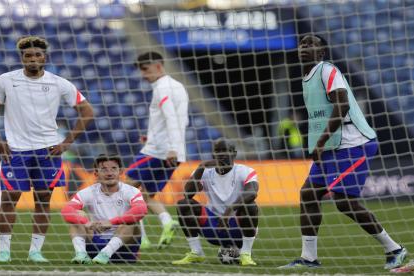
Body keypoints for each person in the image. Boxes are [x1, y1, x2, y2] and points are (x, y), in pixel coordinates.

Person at [279, 34, 407, 269]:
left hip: (353, 143)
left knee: (344, 202)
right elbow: (319, 117)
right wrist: (317, 145)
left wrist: (321, 142)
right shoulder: (306, 78)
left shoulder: (327, 70)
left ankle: (395, 249)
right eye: (302, 43)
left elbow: (342, 105)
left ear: (322, 52)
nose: (304, 47)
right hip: (330, 147)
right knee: (308, 194)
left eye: (311, 44)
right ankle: (309, 259)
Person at [0, 36, 94, 263]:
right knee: (9, 199)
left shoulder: (58, 83)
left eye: (37, 55)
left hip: (48, 151)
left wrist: (66, 142)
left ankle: (35, 251)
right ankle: (4, 251)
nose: (33, 59)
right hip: (16, 150)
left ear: (45, 56)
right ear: (22, 58)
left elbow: (87, 111)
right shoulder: (6, 80)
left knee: (43, 200)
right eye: (28, 56)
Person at [126, 52, 189, 249]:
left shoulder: (162, 88)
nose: (144, 75)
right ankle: (167, 222)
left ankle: (142, 238)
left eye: (146, 69)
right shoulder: (178, 86)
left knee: (124, 189)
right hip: (172, 151)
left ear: (159, 66)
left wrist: (170, 147)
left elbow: (171, 118)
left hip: (158, 151)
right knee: (144, 196)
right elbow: (182, 120)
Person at [171, 138, 259, 266]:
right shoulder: (204, 172)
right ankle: (197, 253)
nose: (221, 154)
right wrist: (201, 167)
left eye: (225, 150)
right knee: (183, 204)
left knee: (251, 206)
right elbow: (188, 194)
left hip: (238, 227)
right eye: (217, 151)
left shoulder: (245, 171)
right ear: (213, 154)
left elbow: (252, 193)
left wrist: (229, 211)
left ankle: (245, 254)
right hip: (214, 226)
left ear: (234, 153)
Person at [61, 155, 148, 264]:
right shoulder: (89, 191)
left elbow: (142, 210)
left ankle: (106, 254)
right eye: (104, 169)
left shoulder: (132, 191)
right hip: (96, 244)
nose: (109, 173)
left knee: (131, 221)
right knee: (77, 214)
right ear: (96, 174)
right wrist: (87, 222)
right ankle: (81, 254)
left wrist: (111, 222)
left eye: (113, 169)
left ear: (120, 172)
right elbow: (66, 210)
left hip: (125, 248)